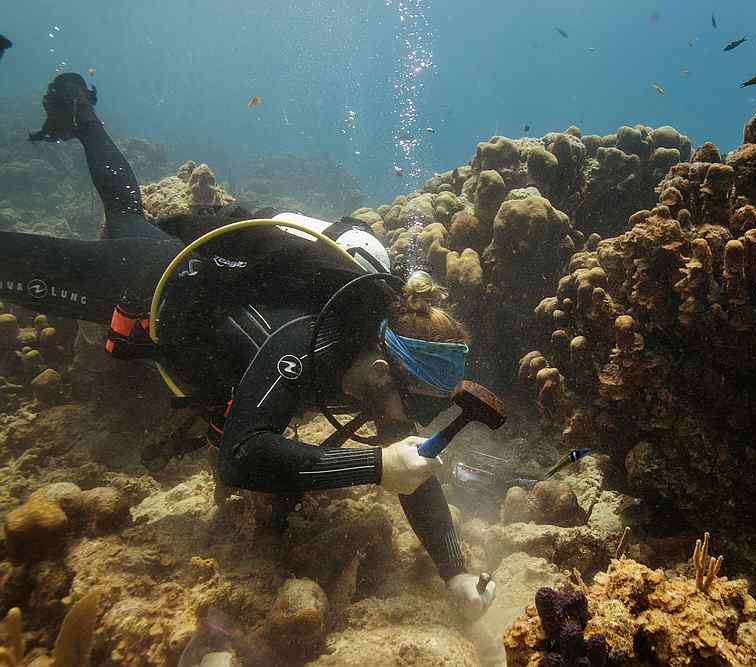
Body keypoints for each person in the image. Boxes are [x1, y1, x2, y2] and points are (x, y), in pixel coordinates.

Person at [1, 73, 496, 618]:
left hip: (167, 258)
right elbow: (241, 456)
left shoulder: (376, 371)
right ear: (385, 369)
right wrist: (374, 467)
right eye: (417, 403)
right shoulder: (307, 341)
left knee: (125, 214)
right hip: (145, 281)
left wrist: (456, 572)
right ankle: (82, 119)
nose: (411, 420)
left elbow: (415, 473)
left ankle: (83, 115)